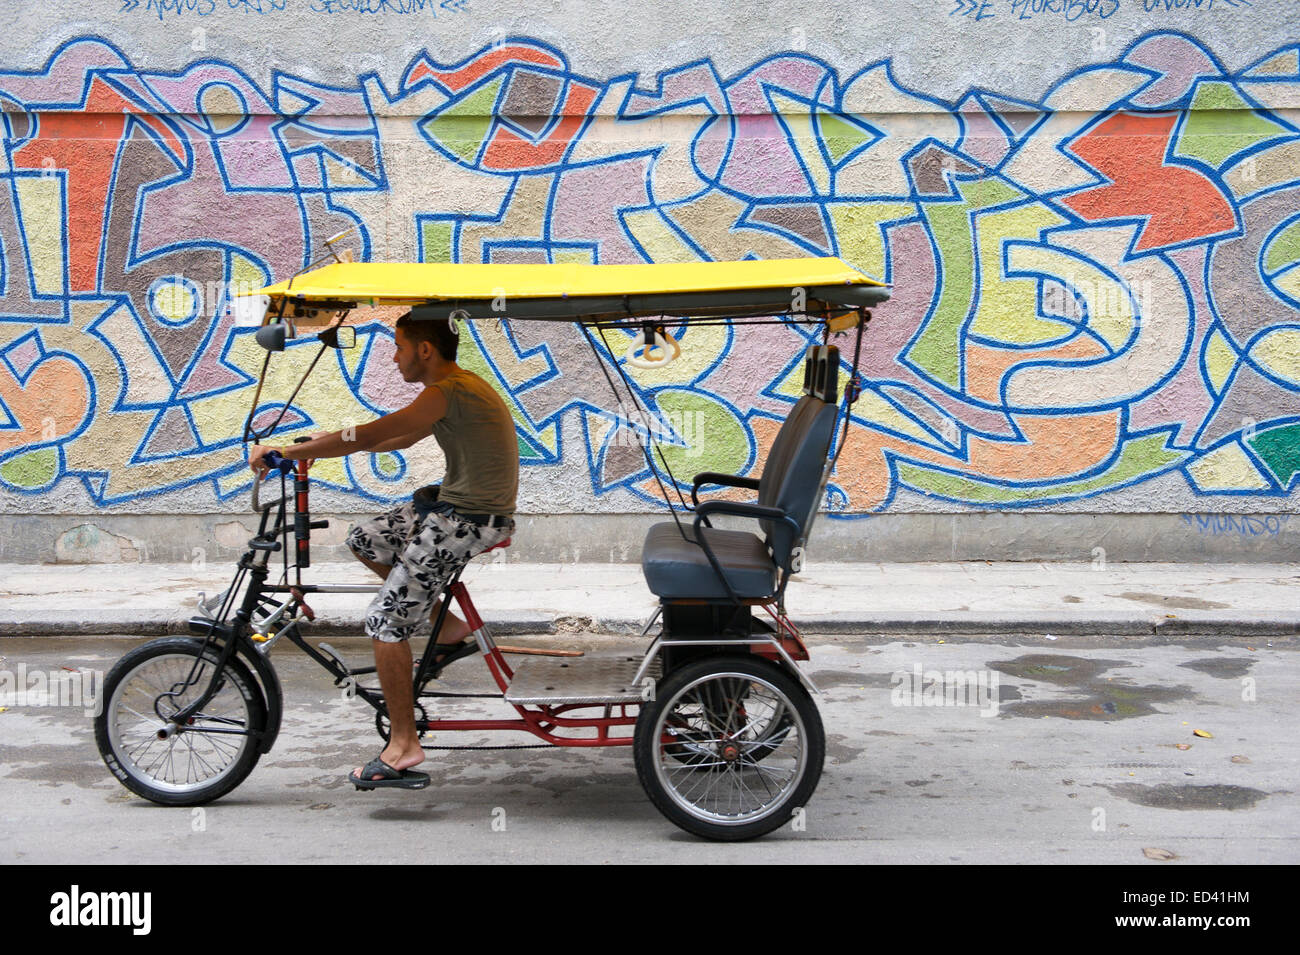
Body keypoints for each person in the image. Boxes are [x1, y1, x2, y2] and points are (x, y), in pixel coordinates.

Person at [248, 312, 519, 790]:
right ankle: (446, 625)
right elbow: (397, 437)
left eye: (398, 347)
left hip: (468, 520)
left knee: (386, 623)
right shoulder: (450, 392)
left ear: (425, 350)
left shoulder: (449, 390)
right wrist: (321, 445)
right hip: (453, 507)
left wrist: (287, 453)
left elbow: (374, 433)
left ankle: (403, 746)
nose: (394, 358)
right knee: (365, 538)